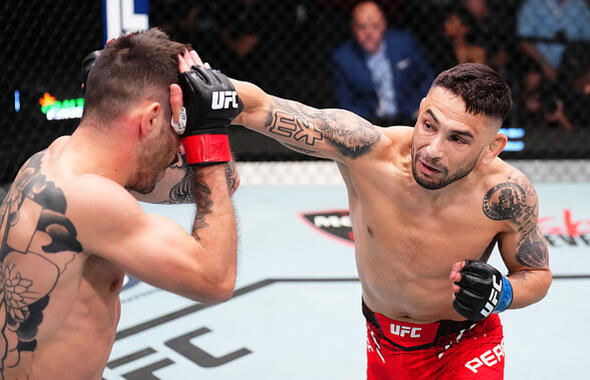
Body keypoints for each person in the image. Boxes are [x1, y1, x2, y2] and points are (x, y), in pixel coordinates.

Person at [181, 50, 552, 379]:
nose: (432, 150)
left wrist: (502, 293)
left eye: (458, 139)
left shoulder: (506, 194)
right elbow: (260, 107)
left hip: (465, 345)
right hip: (382, 340)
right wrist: (206, 85)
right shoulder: (368, 151)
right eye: (429, 124)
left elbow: (535, 274)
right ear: (421, 109)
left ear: (492, 148)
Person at [0, 29, 241, 379]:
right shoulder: (88, 199)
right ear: (150, 119)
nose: (179, 146)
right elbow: (216, 279)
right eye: (178, 129)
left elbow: (227, 183)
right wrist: (208, 135)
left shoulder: (54, 160)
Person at [331, 1, 434, 127]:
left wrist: (422, 106)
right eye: (362, 27)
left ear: (384, 25)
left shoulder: (404, 43)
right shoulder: (343, 57)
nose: (368, 33)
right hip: (369, 124)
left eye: (375, 26)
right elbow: (344, 102)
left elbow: (427, 76)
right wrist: (363, 125)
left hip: (410, 117)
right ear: (353, 28)